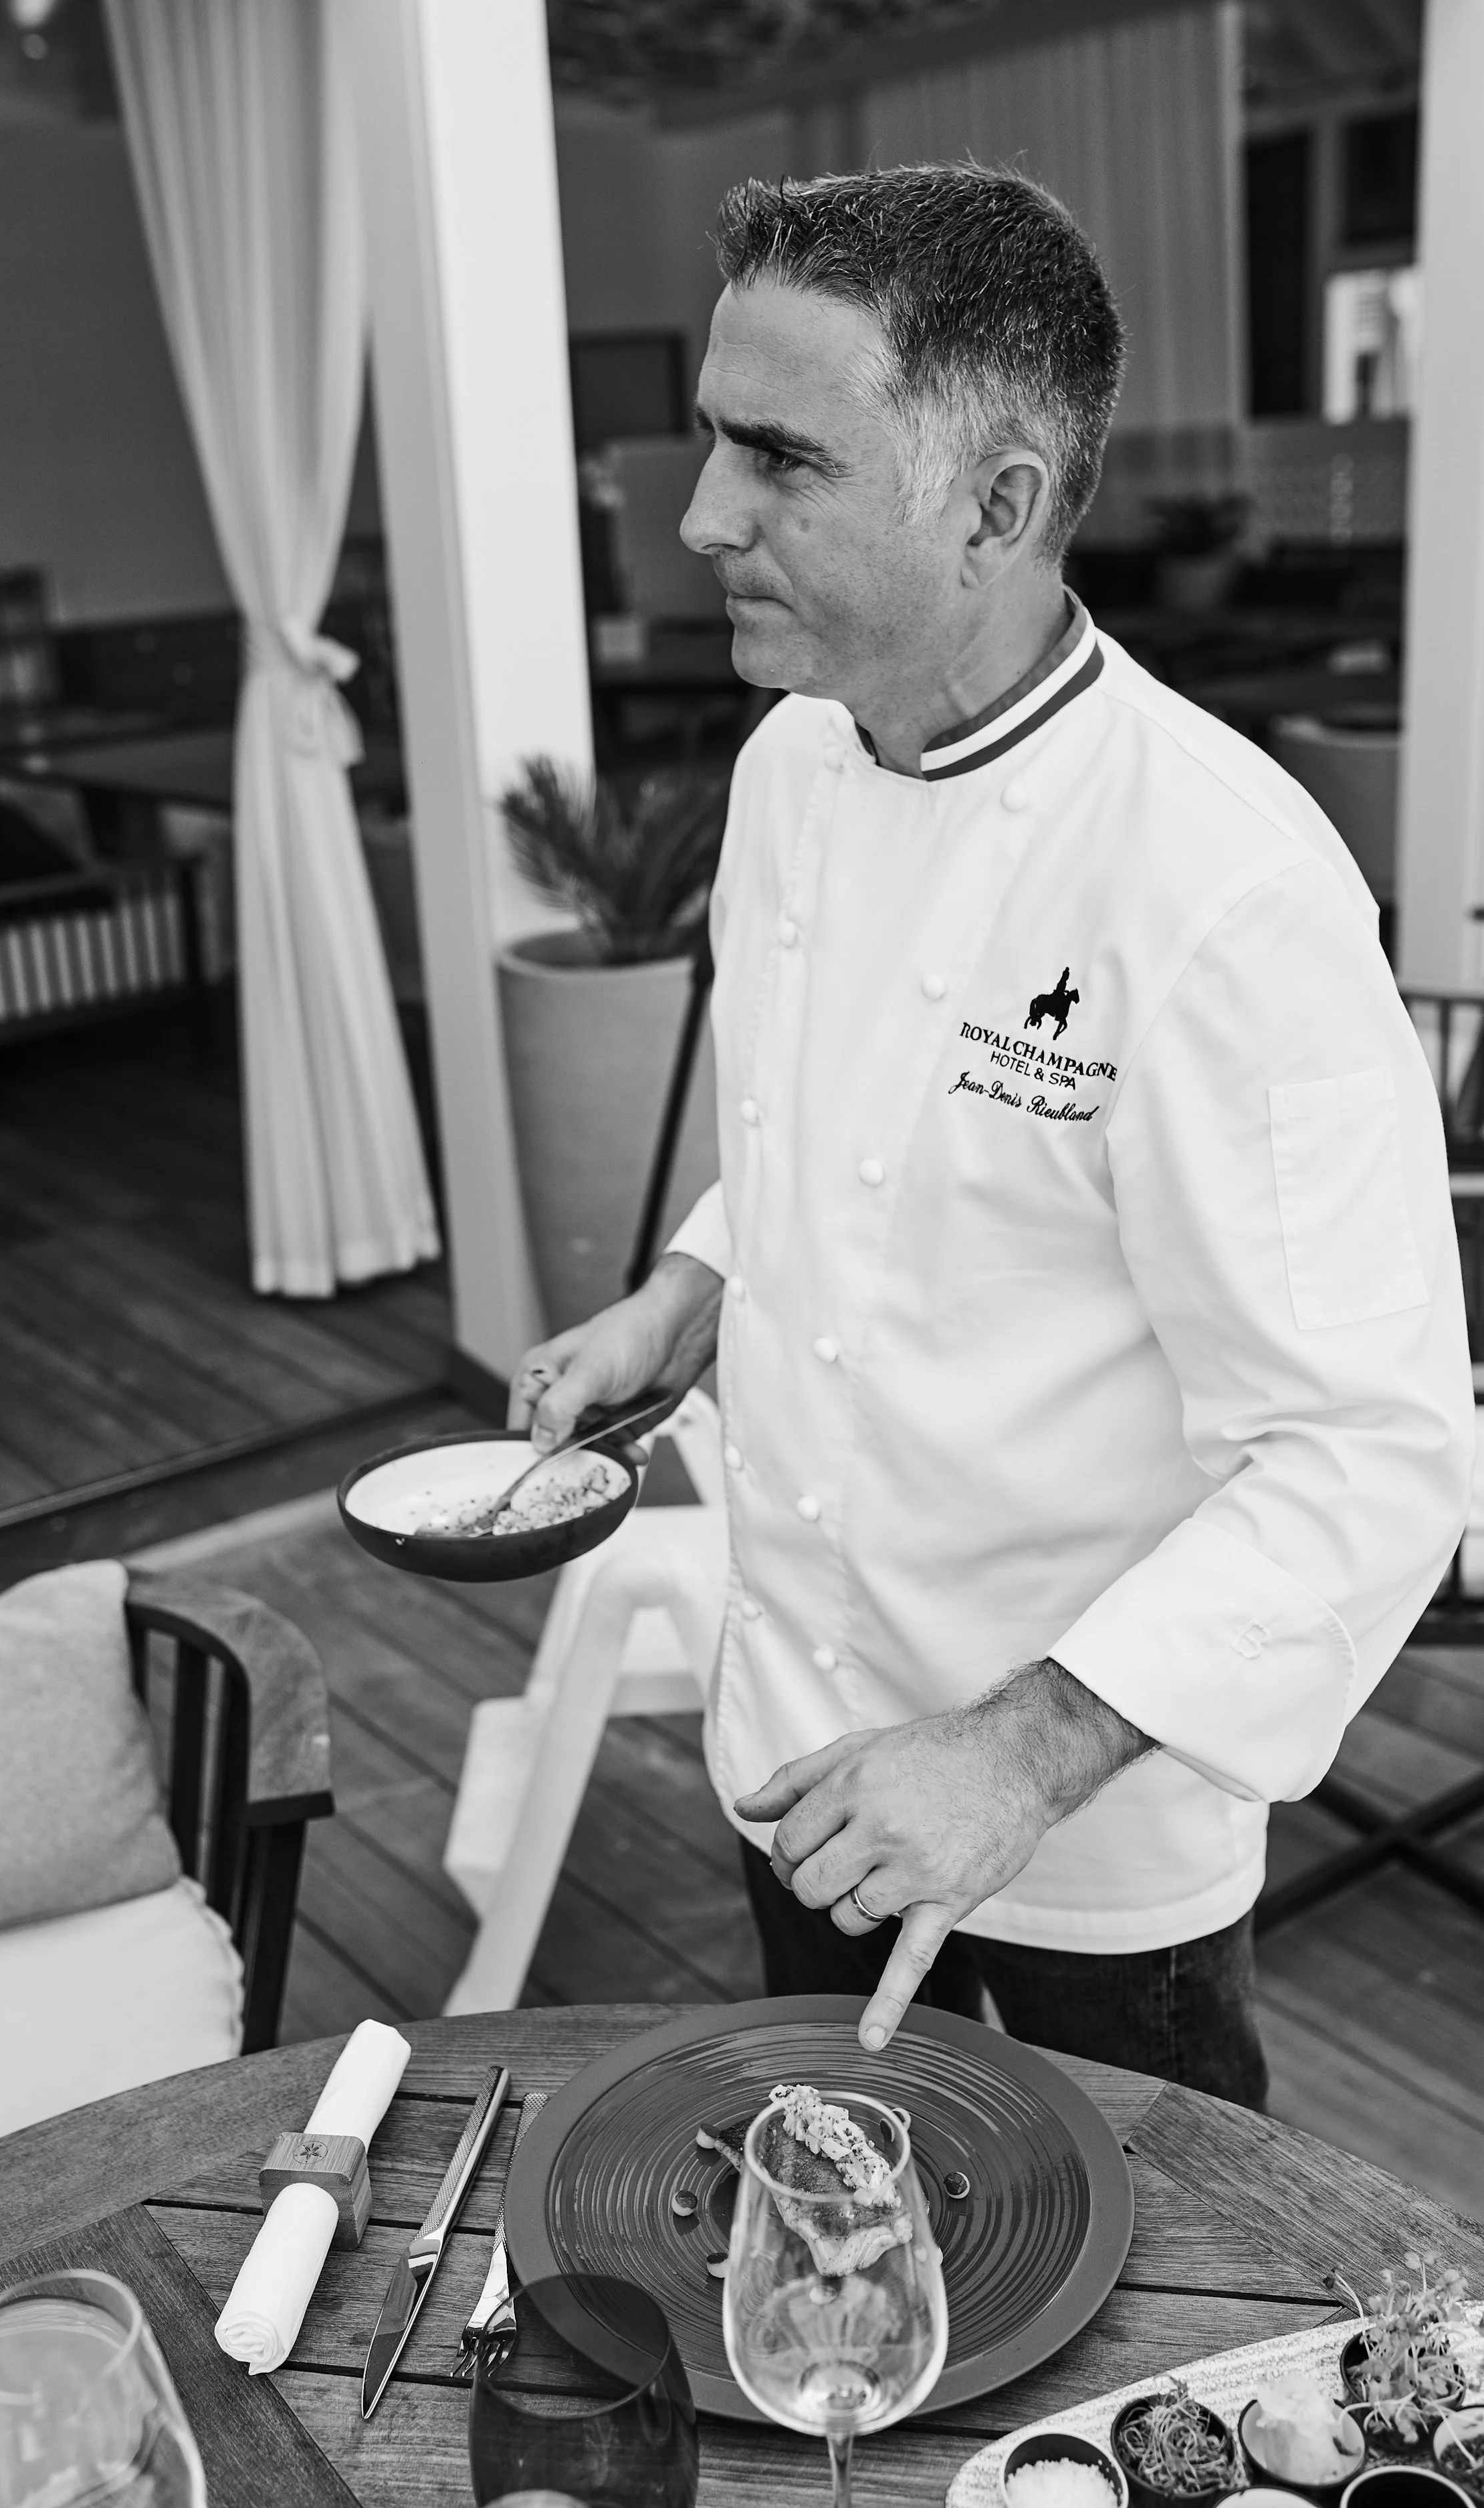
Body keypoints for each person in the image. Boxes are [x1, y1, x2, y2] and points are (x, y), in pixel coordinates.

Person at [508, 163, 1473, 2103]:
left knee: (1140, 2253)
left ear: (997, 508)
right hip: (793, 1738)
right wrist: (689, 1290)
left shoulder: (1222, 886)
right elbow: (825, 1129)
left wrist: (1013, 1756)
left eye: (782, 460)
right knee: (839, 2191)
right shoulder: (790, 761)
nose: (701, 517)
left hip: (1073, 1813)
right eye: (713, 438)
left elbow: (1368, 1457)